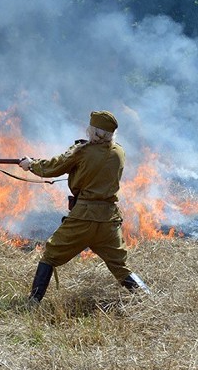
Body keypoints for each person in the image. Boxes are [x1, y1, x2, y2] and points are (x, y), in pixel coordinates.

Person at [18, 110, 150, 306]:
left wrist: (31, 164)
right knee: (120, 267)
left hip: (84, 216)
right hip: (108, 220)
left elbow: (53, 167)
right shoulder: (119, 152)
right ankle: (151, 300)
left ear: (95, 131)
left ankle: (33, 304)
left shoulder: (82, 151)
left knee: (50, 254)